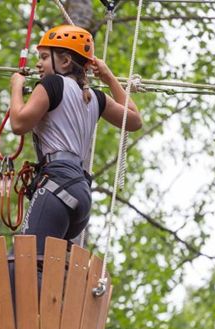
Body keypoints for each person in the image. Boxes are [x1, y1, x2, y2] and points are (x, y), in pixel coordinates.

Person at [9, 24, 142, 255]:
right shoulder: (96, 98)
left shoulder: (52, 84)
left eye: (43, 57)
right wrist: (109, 77)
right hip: (80, 192)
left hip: (55, 187)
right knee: (48, 267)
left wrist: (16, 88)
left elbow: (19, 123)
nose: (38, 64)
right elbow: (134, 120)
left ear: (65, 61)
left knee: (22, 263)